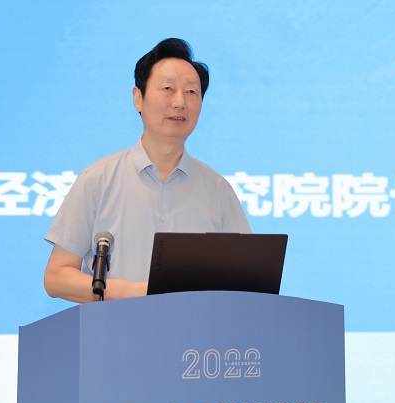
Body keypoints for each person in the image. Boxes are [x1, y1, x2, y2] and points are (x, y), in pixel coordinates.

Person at [43, 38, 251, 302]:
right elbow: (56, 277)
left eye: (191, 92)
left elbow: (247, 281)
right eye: (168, 89)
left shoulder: (218, 191)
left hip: (193, 329)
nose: (180, 102)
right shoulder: (97, 180)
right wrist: (134, 294)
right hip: (115, 327)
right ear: (138, 98)